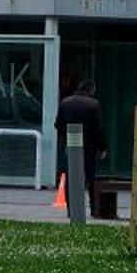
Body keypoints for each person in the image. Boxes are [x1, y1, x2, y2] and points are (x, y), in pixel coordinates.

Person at [55, 78, 107, 214]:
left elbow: (58, 125)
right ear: (92, 90)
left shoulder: (65, 102)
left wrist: (66, 138)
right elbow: (98, 129)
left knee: (70, 177)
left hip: (71, 145)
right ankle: (94, 209)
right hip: (89, 147)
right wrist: (102, 147)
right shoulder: (93, 105)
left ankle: (71, 209)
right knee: (91, 178)